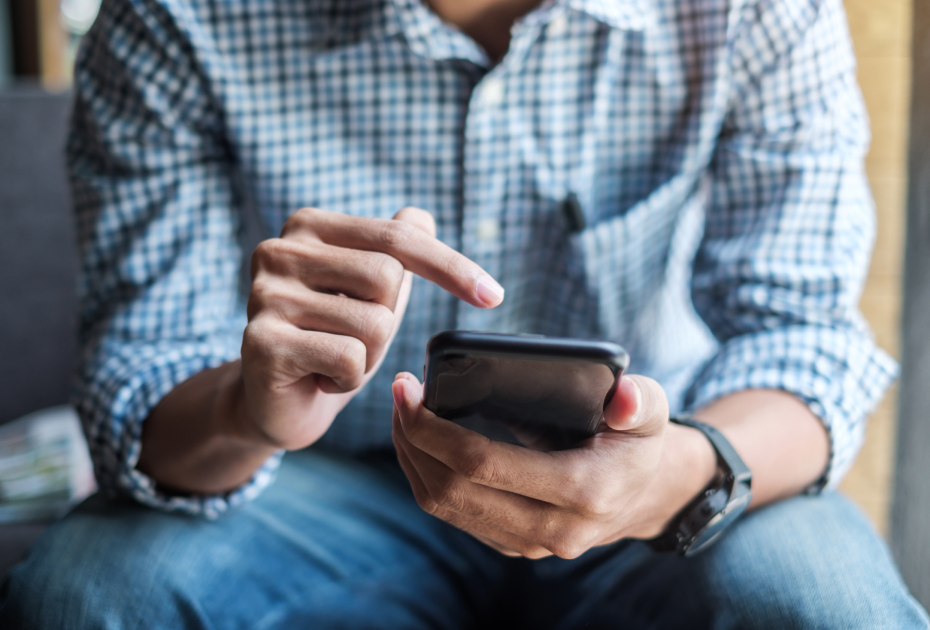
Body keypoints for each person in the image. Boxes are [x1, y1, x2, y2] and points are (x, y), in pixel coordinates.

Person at [2, 0, 928, 627]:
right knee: (87, 593)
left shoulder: (755, 11)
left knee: (825, 599)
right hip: (315, 486)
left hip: (667, 477)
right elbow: (140, 376)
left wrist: (680, 470)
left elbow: (802, 336)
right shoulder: (173, 16)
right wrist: (248, 406)